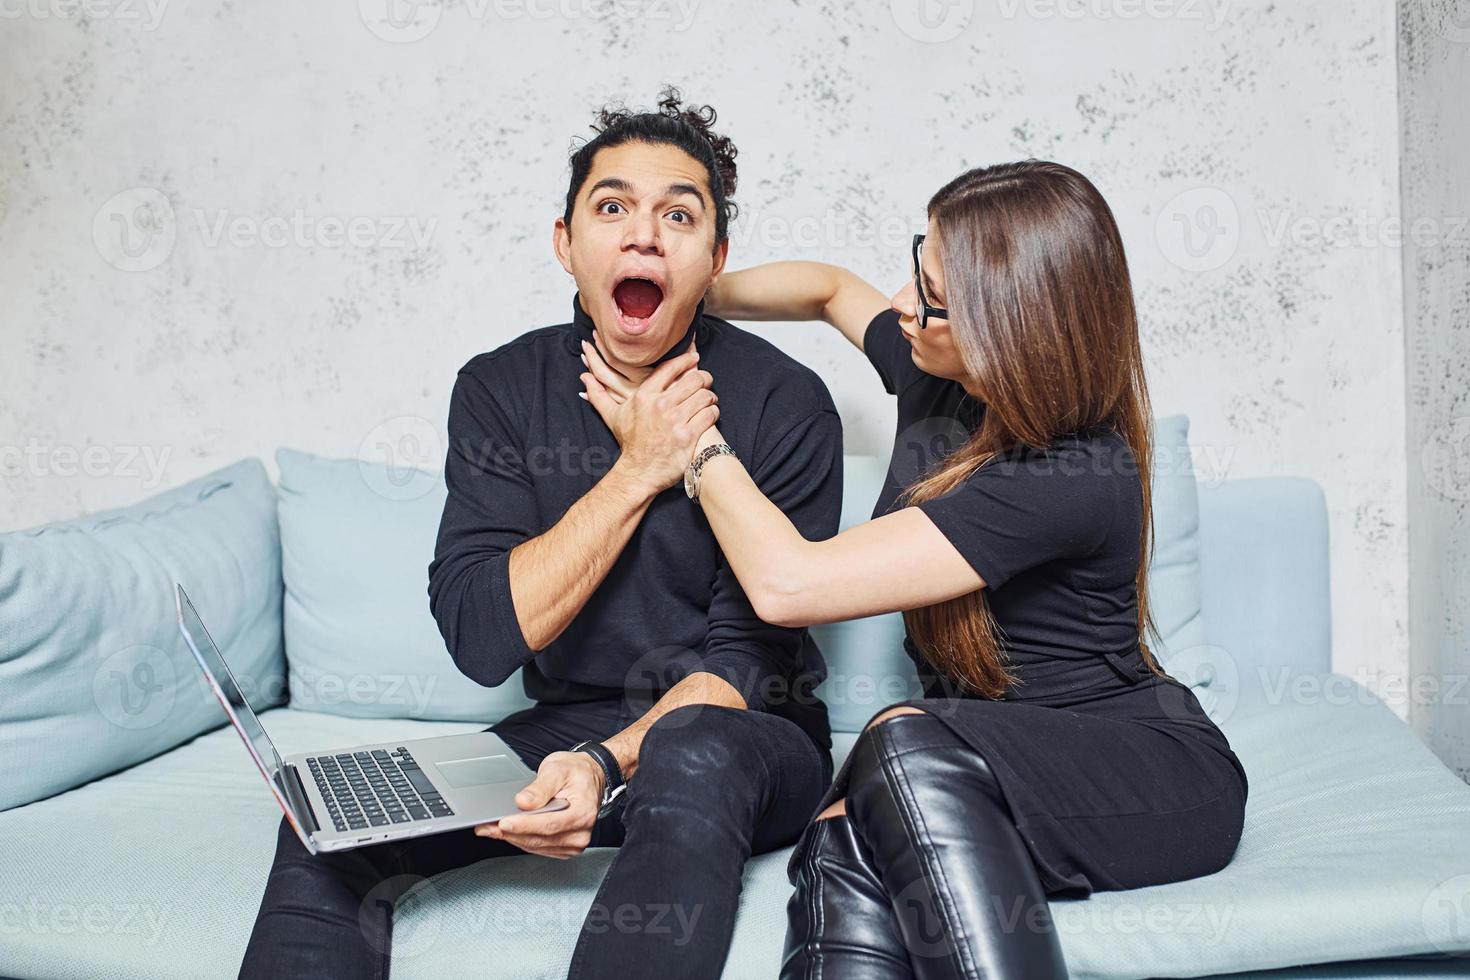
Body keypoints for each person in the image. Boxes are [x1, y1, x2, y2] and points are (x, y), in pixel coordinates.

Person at [578, 159, 1250, 980]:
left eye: (931, 295)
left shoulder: (1071, 475)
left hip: (1146, 771)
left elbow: (788, 585)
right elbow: (827, 289)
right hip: (967, 770)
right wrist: (688, 292)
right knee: (836, 841)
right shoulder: (940, 376)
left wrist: (689, 442)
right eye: (915, 268)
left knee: (897, 741)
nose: (904, 304)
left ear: (1011, 326)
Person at [237, 88, 843, 979]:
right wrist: (640, 467)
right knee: (324, 816)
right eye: (613, 208)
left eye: (679, 214)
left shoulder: (785, 402)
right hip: (562, 733)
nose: (644, 235)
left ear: (715, 258)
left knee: (692, 755)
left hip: (742, 736)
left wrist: (606, 764)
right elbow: (483, 637)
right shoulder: (499, 388)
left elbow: (746, 663)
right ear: (566, 245)